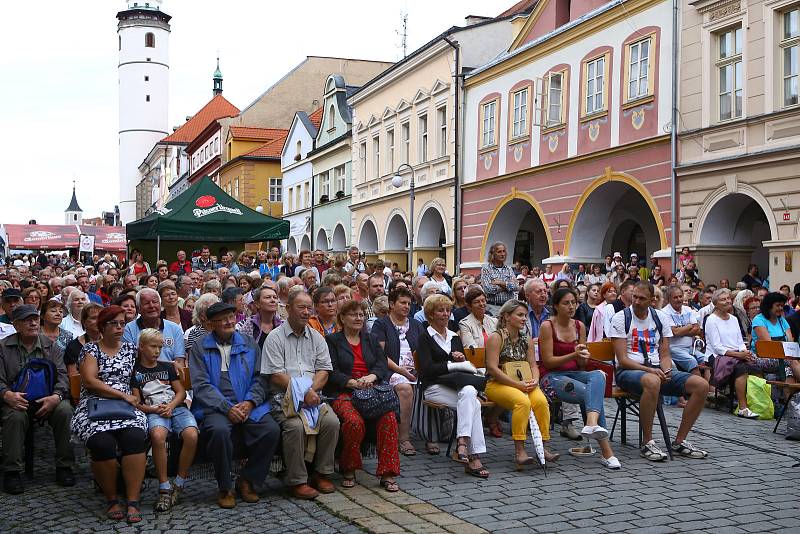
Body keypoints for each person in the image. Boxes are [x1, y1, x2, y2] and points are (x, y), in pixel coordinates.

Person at [187, 302, 279, 508]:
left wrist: (250, 402)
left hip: (248, 402)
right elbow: (201, 385)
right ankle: (225, 486)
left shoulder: (248, 343)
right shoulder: (201, 347)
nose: (229, 322)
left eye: (231, 317)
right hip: (216, 407)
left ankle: (247, 479)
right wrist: (227, 408)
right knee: (218, 431)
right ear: (211, 324)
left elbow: (261, 378)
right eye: (223, 319)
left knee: (271, 430)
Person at [610, 282, 709, 461]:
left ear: (652, 301)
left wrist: (667, 369)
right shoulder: (621, 317)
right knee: (652, 381)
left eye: (642, 298)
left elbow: (664, 353)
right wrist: (650, 370)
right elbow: (623, 360)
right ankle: (647, 442)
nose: (637, 302)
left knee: (701, 385)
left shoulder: (660, 318)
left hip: (655, 369)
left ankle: (680, 441)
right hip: (628, 371)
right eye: (634, 297)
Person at [71, 305, 148, 523]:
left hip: (127, 407)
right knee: (101, 442)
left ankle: (132, 500)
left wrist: (136, 398)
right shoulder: (90, 350)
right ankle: (112, 498)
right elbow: (90, 381)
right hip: (95, 405)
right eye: (113, 323)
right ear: (102, 326)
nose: (119, 327)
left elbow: (137, 378)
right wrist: (122, 396)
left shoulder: (131, 350)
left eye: (122, 323)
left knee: (134, 438)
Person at [261, 291, 340, 500]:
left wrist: (311, 392)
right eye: (301, 307)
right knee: (294, 426)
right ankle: (297, 480)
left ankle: (321, 473)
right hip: (284, 399)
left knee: (331, 421)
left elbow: (324, 370)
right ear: (288, 309)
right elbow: (276, 375)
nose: (306, 312)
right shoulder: (275, 337)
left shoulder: (316, 337)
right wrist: (303, 393)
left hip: (313, 396)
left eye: (309, 308)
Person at [539, 289, 620, 469]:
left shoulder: (579, 326)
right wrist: (573, 355)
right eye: (566, 303)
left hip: (575, 373)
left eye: (574, 303)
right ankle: (607, 452)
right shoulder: (547, 326)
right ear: (556, 306)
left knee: (599, 376)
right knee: (590, 394)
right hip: (551, 377)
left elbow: (582, 365)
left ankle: (591, 423)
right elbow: (548, 362)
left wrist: (584, 357)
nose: (571, 307)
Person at [325, 301, 400, 491]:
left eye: (361, 315)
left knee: (389, 418)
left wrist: (372, 376)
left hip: (372, 390)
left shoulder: (371, 339)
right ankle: (349, 467)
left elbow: (382, 365)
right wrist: (352, 382)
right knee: (353, 421)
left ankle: (388, 472)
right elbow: (331, 370)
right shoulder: (333, 341)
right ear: (342, 318)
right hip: (346, 392)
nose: (358, 318)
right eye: (353, 315)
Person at [0, 304, 74, 494]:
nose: (33, 323)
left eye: (35, 319)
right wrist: (7, 395)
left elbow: (63, 376)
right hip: (16, 399)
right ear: (15, 325)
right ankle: (12, 471)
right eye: (27, 320)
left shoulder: (51, 346)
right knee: (14, 418)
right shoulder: (3, 347)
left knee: (65, 411)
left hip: (48, 397)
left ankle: (64, 466)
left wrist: (56, 397)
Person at [416, 294, 489, 478]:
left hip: (456, 386)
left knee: (470, 393)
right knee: (474, 403)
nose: (446, 314)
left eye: (448, 310)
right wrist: (454, 364)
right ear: (430, 315)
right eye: (441, 310)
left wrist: (461, 359)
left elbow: (463, 371)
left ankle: (464, 444)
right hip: (434, 387)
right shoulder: (425, 337)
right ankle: (472, 454)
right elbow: (427, 370)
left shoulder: (455, 337)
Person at [485, 299, 557, 469]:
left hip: (524, 382)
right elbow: (492, 368)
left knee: (541, 402)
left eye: (525, 315)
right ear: (507, 317)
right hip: (497, 384)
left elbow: (533, 364)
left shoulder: (526, 338)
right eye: (520, 315)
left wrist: (535, 380)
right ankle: (520, 451)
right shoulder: (496, 337)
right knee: (522, 402)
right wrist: (517, 385)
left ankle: (544, 448)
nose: (525, 318)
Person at [132, 328, 198, 511]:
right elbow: (136, 402)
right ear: (141, 346)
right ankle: (164, 486)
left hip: (176, 408)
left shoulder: (167, 367)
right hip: (153, 411)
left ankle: (179, 481)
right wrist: (153, 409)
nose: (156, 351)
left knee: (191, 435)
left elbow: (181, 392)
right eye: (153, 346)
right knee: (158, 436)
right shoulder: (135, 371)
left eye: (159, 347)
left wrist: (171, 406)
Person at [372, 287, 424, 456]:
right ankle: (404, 438)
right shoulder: (382, 324)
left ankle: (432, 436)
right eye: (402, 303)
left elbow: (425, 349)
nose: (407, 306)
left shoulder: (416, 324)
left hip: (416, 369)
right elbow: (379, 355)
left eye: (409, 303)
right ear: (392, 304)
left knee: (432, 384)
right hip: (390, 369)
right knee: (405, 388)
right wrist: (402, 371)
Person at [704, 289, 767, 419]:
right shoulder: (711, 320)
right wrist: (739, 355)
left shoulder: (733, 319)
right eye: (723, 299)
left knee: (756, 366)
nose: (728, 301)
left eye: (728, 298)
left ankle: (759, 403)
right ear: (715, 303)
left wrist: (745, 351)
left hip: (736, 354)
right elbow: (717, 348)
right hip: (717, 357)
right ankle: (743, 407)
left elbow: (740, 341)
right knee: (741, 368)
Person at [123, 288, 186, 366]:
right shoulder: (129, 329)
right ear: (138, 309)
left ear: (160, 306)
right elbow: (129, 360)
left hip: (170, 376)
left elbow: (179, 362)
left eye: (155, 302)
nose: (151, 306)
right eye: (146, 303)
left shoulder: (174, 328)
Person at [661, 285, 703, 375]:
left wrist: (681, 331)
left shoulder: (688, 309)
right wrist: (689, 326)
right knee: (692, 362)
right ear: (669, 299)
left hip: (691, 348)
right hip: (674, 349)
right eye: (675, 297)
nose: (679, 299)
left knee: (706, 360)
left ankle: (712, 389)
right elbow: (674, 332)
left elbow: (697, 329)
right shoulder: (664, 312)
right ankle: (700, 387)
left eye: (680, 296)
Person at [236, 285, 282, 351]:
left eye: (275, 297)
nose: (273, 300)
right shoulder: (249, 325)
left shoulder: (281, 325)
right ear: (257, 304)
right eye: (268, 297)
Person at [480, 242, 520, 316]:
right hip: (493, 307)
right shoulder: (486, 269)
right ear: (493, 254)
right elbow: (488, 289)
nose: (502, 254)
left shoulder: (509, 269)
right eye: (499, 252)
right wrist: (508, 286)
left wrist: (500, 283)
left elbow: (516, 286)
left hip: (509, 307)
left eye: (504, 251)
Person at [64, 303, 102, 376]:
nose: (98, 321)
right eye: (94, 318)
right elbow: (74, 378)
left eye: (101, 317)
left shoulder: (110, 343)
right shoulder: (73, 347)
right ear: (84, 322)